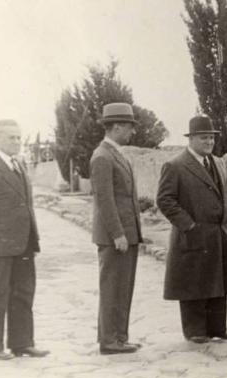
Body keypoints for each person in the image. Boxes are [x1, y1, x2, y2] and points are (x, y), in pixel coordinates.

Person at [156, 115, 227, 344]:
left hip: (218, 234)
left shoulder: (217, 163)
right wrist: (189, 225)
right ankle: (195, 331)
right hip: (193, 235)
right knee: (194, 283)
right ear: (191, 138)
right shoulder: (175, 165)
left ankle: (217, 329)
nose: (209, 142)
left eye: (211, 138)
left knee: (217, 281)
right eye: (204, 138)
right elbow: (165, 200)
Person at [0, 119, 49, 360]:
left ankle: (22, 342)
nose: (16, 142)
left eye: (18, 137)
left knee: (24, 292)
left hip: (23, 243)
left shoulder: (20, 165)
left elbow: (26, 205)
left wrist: (33, 240)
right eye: (11, 138)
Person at [90, 103, 143, 355]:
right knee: (112, 287)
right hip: (116, 237)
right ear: (117, 126)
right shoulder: (102, 156)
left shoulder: (116, 153)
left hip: (126, 235)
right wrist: (118, 233)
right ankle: (109, 340)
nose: (132, 131)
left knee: (123, 287)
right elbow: (105, 200)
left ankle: (120, 337)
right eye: (129, 126)